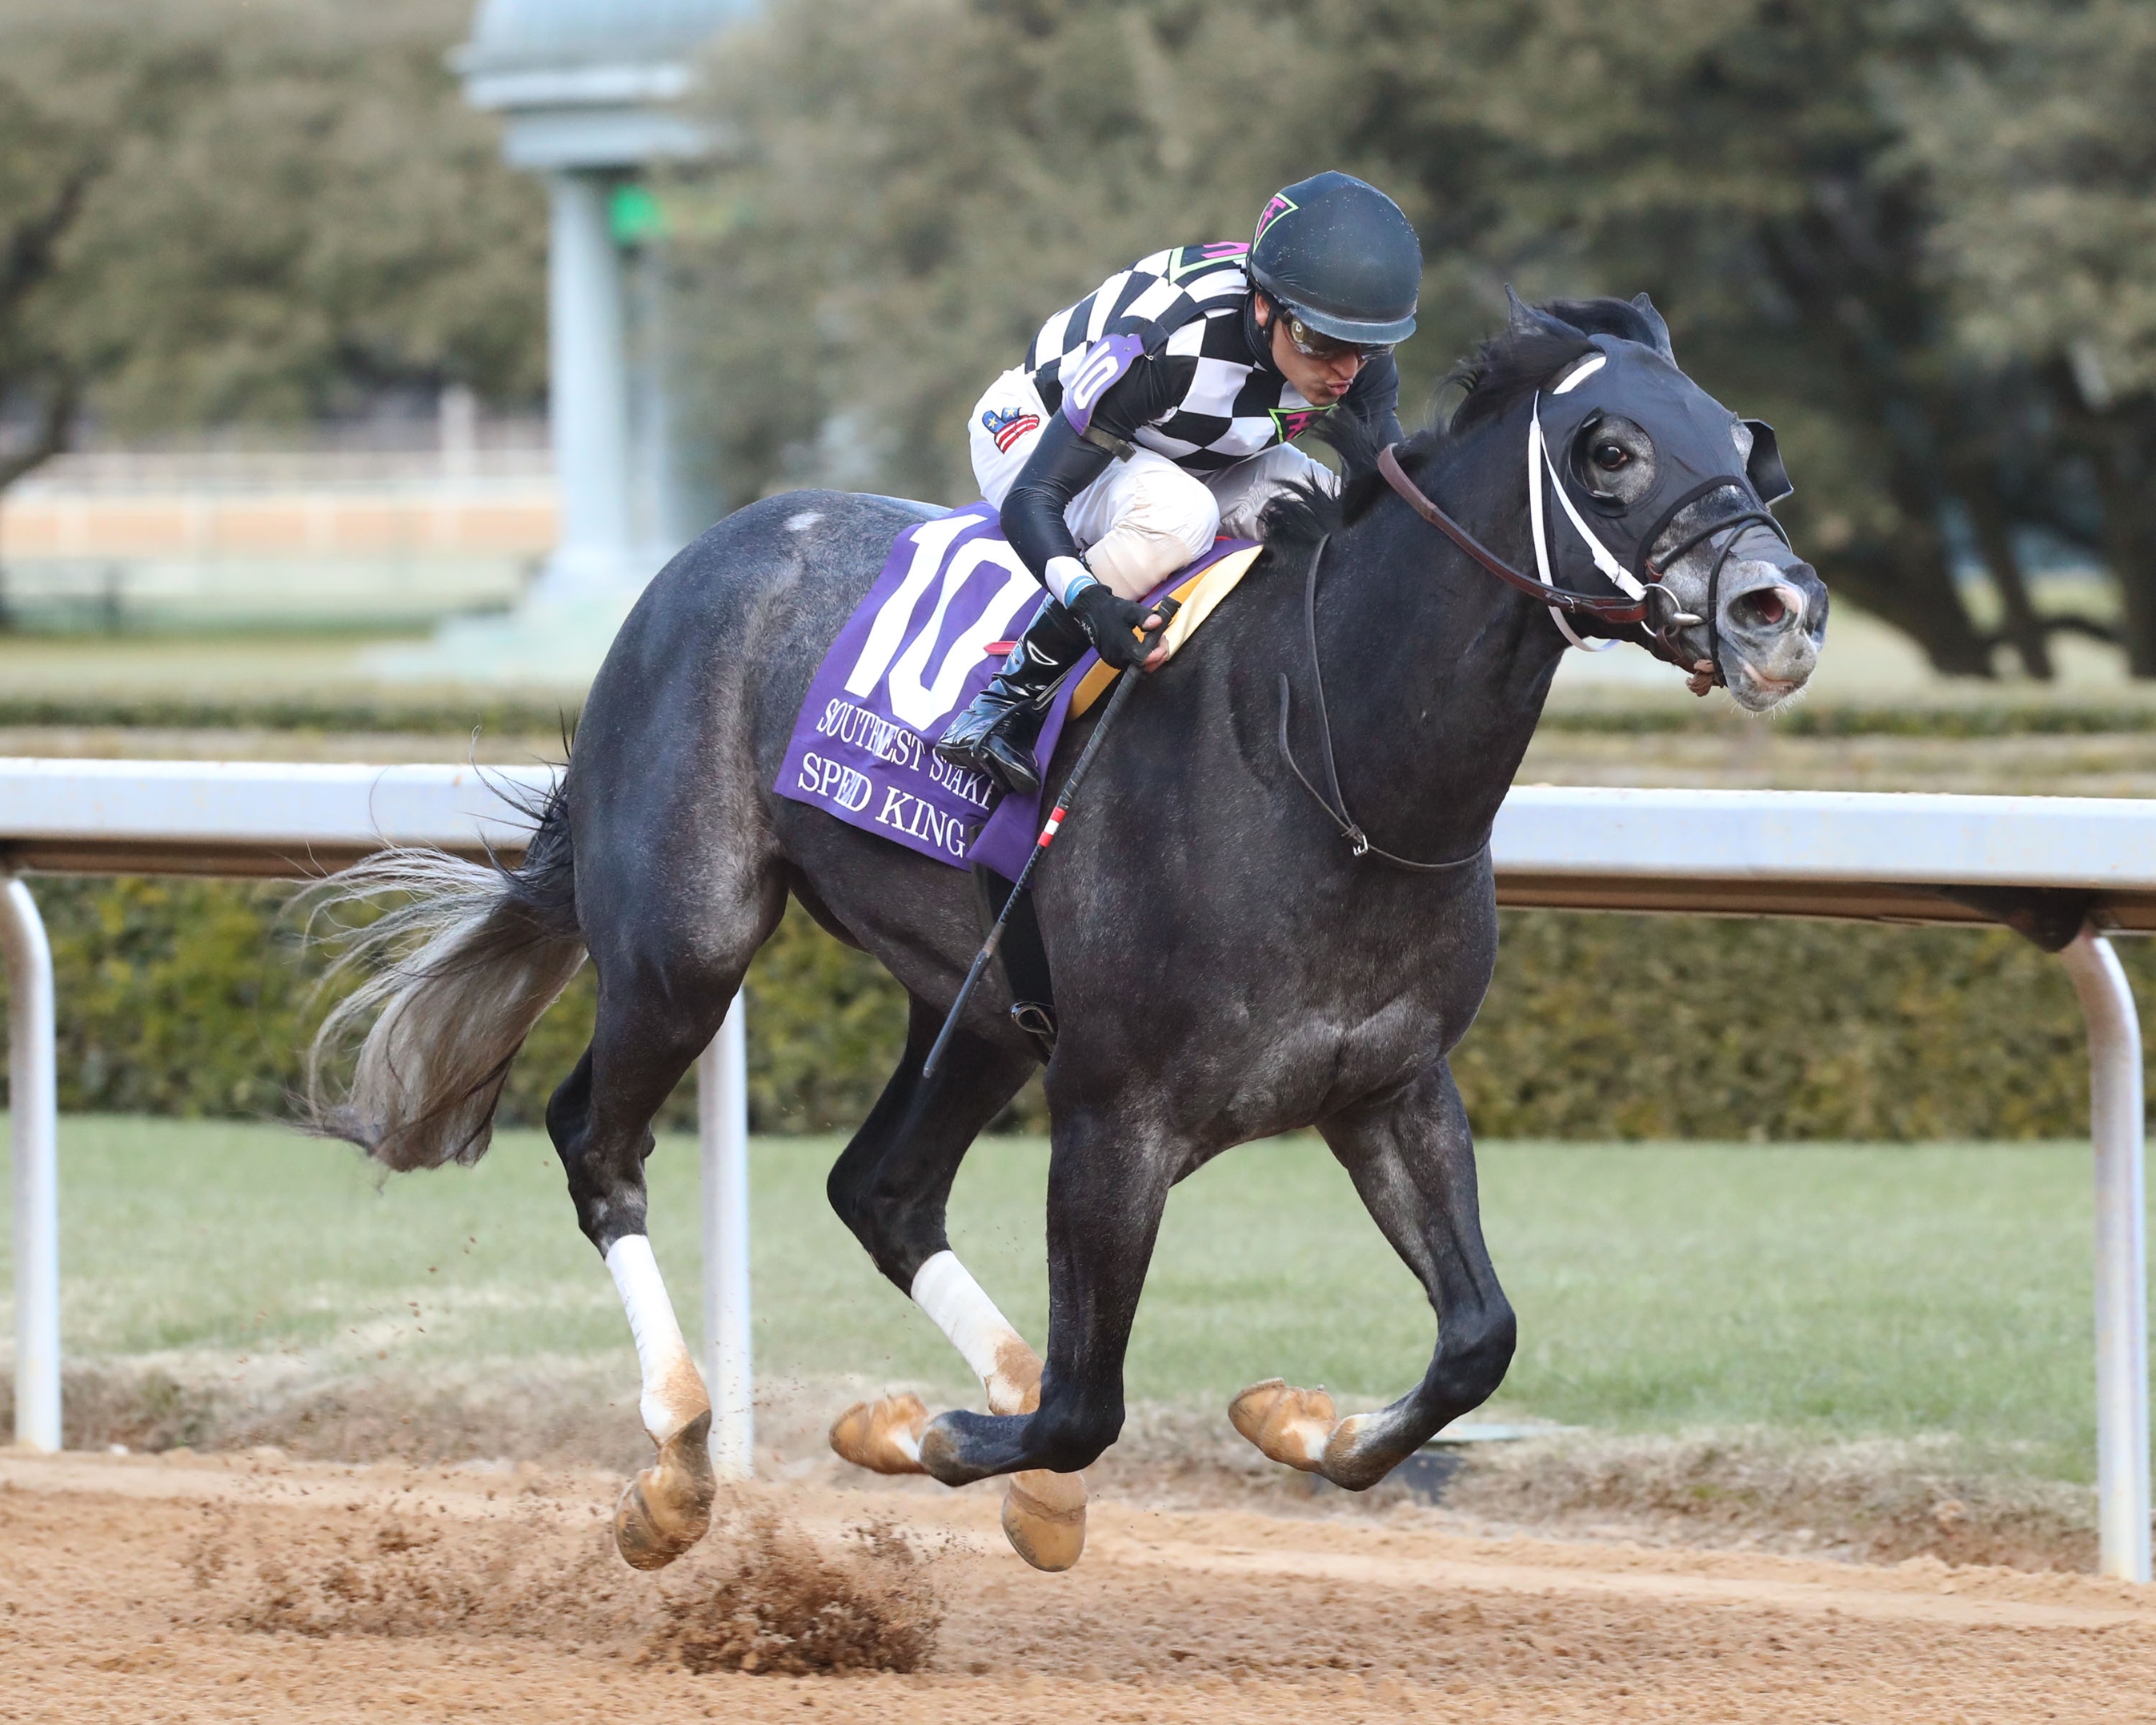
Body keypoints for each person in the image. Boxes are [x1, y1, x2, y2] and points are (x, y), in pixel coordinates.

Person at [934, 170, 1421, 796]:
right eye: (1321, 341)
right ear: (1265, 304)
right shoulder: (1167, 342)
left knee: (1339, 519)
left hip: (1185, 451)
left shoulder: (1355, 354)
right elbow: (1035, 499)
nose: (1345, 370)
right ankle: (1002, 701)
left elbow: (1389, 490)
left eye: (1366, 345)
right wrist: (1089, 602)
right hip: (1036, 426)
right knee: (1178, 516)